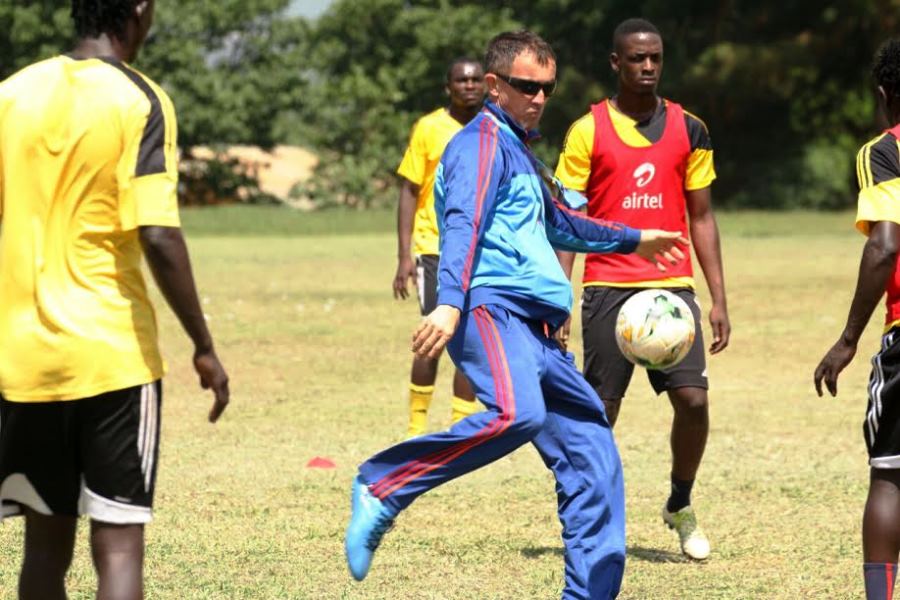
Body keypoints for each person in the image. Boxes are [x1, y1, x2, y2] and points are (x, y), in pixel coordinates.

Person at [346, 30, 688, 599]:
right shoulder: (478, 142)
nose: (538, 97)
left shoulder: (521, 152)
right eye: (527, 86)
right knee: (516, 415)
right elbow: (463, 223)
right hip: (489, 309)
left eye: (547, 88)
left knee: (593, 463)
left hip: (539, 332)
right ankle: (385, 486)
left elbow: (563, 224)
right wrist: (450, 304)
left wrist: (635, 239)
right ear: (493, 86)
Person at [0, 1, 230, 599]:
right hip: (111, 358)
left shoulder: (13, 92)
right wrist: (203, 345)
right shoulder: (140, 98)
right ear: (138, 9)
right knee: (120, 546)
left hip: (22, 360)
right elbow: (157, 232)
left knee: (44, 550)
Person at [554, 17, 730, 561]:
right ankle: (590, 520)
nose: (647, 66)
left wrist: (718, 296)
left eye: (654, 57)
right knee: (600, 415)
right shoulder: (586, 131)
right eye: (636, 58)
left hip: (672, 288)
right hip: (608, 285)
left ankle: (680, 501)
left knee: (694, 401)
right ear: (616, 63)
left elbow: (701, 216)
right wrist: (558, 296)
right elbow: (564, 219)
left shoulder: (690, 128)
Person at [814, 38, 900, 600]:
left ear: (884, 94)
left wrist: (848, 340)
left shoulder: (885, 151)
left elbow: (886, 245)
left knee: (891, 476)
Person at [393, 58, 484, 437]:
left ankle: (460, 432)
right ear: (448, 87)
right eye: (461, 80)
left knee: (471, 339)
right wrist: (403, 257)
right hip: (434, 249)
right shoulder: (429, 128)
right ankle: (416, 429)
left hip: (481, 250)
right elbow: (410, 190)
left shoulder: (493, 127)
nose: (469, 86)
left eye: (476, 79)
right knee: (433, 337)